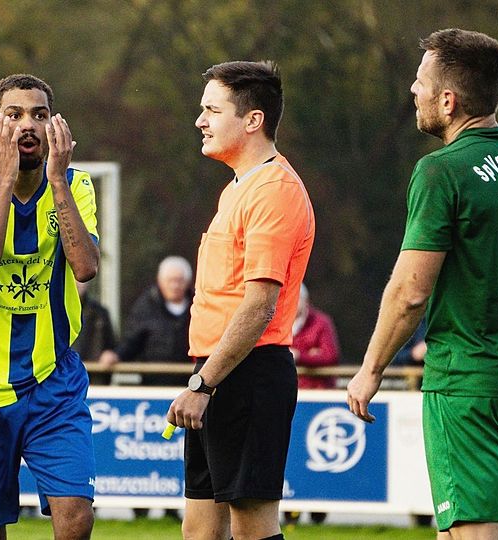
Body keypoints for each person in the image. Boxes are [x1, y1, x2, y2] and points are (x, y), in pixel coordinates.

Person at [347, 29, 498, 538]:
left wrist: (371, 367)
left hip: (470, 379)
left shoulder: (442, 171)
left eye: (421, 81)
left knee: (473, 531)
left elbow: (410, 293)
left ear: (448, 101)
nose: (412, 89)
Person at [0, 73, 99, 539]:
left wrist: (57, 182)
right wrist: (6, 179)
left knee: (76, 515)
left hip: (54, 379)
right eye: (14, 115)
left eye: (39, 115)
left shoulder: (76, 184)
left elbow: (86, 267)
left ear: (54, 126)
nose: (27, 124)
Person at [166, 61, 315, 540]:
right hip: (218, 371)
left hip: (248, 372)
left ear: (252, 120)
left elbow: (259, 305)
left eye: (212, 109)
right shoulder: (238, 186)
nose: (200, 120)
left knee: (252, 528)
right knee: (200, 530)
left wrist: (204, 384)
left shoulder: (274, 190)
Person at [99, 255, 193, 387]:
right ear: (160, 281)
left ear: (188, 282)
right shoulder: (146, 306)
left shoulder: (198, 305)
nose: (175, 285)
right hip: (153, 384)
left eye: (179, 280)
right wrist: (116, 355)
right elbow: (132, 340)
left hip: (190, 384)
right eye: (170, 280)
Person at [291, 283, 341, 390]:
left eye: (296, 298)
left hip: (317, 391)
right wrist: (310, 355)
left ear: (306, 301)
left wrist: (299, 356)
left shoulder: (321, 322)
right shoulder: (278, 322)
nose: (292, 302)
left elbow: (330, 356)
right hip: (287, 389)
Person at [71, 280, 116, 385]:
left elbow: (112, 345)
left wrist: (112, 354)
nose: (78, 283)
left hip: (94, 380)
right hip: (65, 381)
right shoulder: (53, 310)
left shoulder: (99, 313)